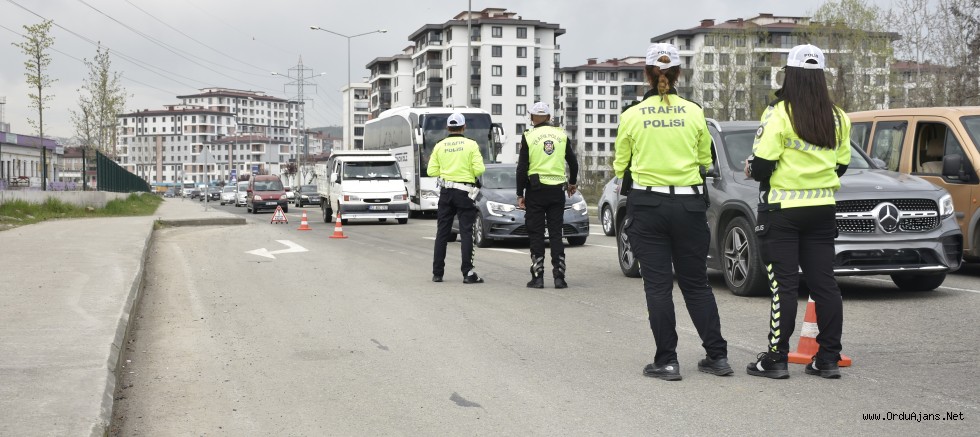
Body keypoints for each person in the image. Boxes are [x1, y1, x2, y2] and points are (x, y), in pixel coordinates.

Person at [612, 43, 731, 381]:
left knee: (658, 287)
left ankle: (667, 361)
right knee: (696, 285)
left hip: (648, 207)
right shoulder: (694, 112)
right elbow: (705, 161)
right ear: (678, 74)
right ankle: (717, 357)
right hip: (690, 206)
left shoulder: (632, 115)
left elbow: (621, 165)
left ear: (647, 75)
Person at [745, 44, 851, 379]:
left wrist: (752, 167)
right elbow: (842, 165)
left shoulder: (779, 114)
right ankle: (828, 358)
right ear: (821, 78)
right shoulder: (837, 117)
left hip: (784, 211)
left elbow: (762, 166)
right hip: (822, 209)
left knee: (784, 286)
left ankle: (776, 358)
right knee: (825, 285)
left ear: (789, 76)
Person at [517, 102, 579, 289]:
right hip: (557, 191)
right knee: (555, 233)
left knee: (536, 233)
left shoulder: (528, 136)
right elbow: (573, 162)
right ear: (549, 117)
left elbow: (522, 168)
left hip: (536, 191)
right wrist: (572, 183)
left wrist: (520, 194)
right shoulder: (561, 135)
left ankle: (538, 277)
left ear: (532, 118)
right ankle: (559, 277)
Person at [428, 112, 487, 284]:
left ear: (448, 128)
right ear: (464, 127)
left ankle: (437, 273)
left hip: (446, 192)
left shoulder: (439, 146)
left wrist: (447, 172)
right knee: (466, 232)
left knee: (442, 233)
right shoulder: (471, 145)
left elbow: (431, 171)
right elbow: (479, 169)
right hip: (465, 192)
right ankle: (467, 273)